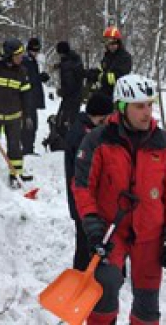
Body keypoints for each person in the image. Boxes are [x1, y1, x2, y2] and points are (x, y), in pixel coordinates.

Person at [73, 74, 166, 324]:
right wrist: (91, 224)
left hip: (150, 235)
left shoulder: (165, 143)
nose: (147, 112)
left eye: (149, 104)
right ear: (122, 107)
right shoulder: (98, 140)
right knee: (105, 287)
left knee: (147, 302)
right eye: (139, 106)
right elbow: (82, 186)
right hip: (110, 231)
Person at [64, 93, 114, 270]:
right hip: (83, 201)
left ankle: (100, 271)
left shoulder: (92, 130)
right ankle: (82, 274)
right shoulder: (82, 136)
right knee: (85, 242)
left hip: (95, 200)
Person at [0, 39, 33, 187]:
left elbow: (26, 95)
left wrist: (28, 114)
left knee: (15, 146)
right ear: (9, 55)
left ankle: (16, 175)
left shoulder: (22, 72)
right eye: (18, 54)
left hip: (14, 117)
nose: (21, 57)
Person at [21, 37, 49, 155]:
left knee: (33, 124)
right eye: (34, 50)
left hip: (32, 97)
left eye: (37, 50)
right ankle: (27, 148)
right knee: (29, 124)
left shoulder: (32, 61)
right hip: (28, 97)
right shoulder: (26, 61)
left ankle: (28, 147)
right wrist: (40, 77)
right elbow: (28, 79)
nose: (36, 53)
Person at [55, 41, 85, 136]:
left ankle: (66, 140)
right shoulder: (74, 59)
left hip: (71, 96)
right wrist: (59, 65)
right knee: (71, 117)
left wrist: (61, 92)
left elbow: (70, 83)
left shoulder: (67, 65)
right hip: (77, 94)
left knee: (66, 118)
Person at [97, 26, 132, 97]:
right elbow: (102, 69)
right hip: (105, 92)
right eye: (108, 44)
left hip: (119, 94)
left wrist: (101, 77)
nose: (111, 46)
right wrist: (92, 73)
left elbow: (119, 77)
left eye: (113, 43)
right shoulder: (107, 56)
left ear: (118, 43)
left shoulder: (124, 57)